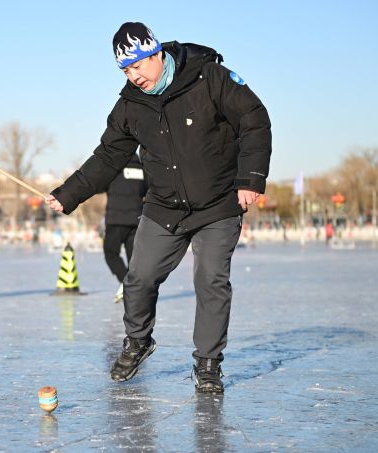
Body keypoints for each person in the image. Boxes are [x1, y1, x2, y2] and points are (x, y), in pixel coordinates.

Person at [46, 22, 271, 393]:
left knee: (210, 280)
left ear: (155, 54)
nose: (133, 77)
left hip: (218, 204)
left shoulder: (209, 78)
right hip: (164, 207)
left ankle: (209, 363)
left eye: (137, 66)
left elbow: (254, 119)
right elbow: (107, 156)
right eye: (125, 71)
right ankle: (138, 341)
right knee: (139, 278)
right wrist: (68, 194)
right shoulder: (130, 106)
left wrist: (250, 178)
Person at [103, 152, 147, 303]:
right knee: (133, 259)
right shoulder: (142, 168)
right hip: (136, 219)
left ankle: (127, 284)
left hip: (115, 219)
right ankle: (135, 290)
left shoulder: (115, 166)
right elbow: (146, 190)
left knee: (110, 253)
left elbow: (100, 184)